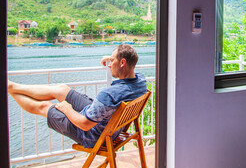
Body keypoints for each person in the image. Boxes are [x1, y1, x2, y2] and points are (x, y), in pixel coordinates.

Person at [7, 44, 147, 148]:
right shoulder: (140, 82)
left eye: (112, 61)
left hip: (93, 135)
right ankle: (12, 86)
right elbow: (129, 64)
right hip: (109, 126)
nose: (109, 64)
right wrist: (111, 58)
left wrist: (67, 109)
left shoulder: (108, 95)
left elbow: (85, 125)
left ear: (122, 63)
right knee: (61, 90)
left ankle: (9, 90)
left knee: (44, 106)